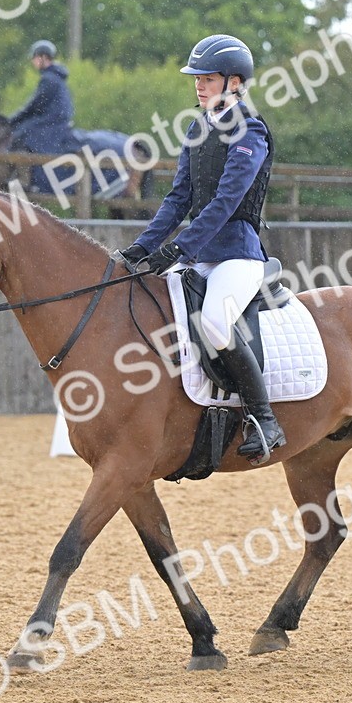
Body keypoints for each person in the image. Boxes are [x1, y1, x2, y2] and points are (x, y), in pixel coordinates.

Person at [119, 34, 283, 464]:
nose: (198, 85)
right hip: (198, 255)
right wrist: (140, 249)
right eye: (197, 78)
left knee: (213, 323)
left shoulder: (251, 130)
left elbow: (225, 201)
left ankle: (264, 419)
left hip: (237, 255)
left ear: (233, 82)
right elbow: (178, 200)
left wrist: (178, 248)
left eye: (207, 78)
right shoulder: (197, 128)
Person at [7, 40, 78, 156]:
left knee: (21, 132)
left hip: (52, 120)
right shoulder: (54, 76)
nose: (33, 61)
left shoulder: (49, 79)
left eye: (35, 57)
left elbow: (34, 106)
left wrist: (12, 120)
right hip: (55, 118)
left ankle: (24, 170)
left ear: (44, 57)